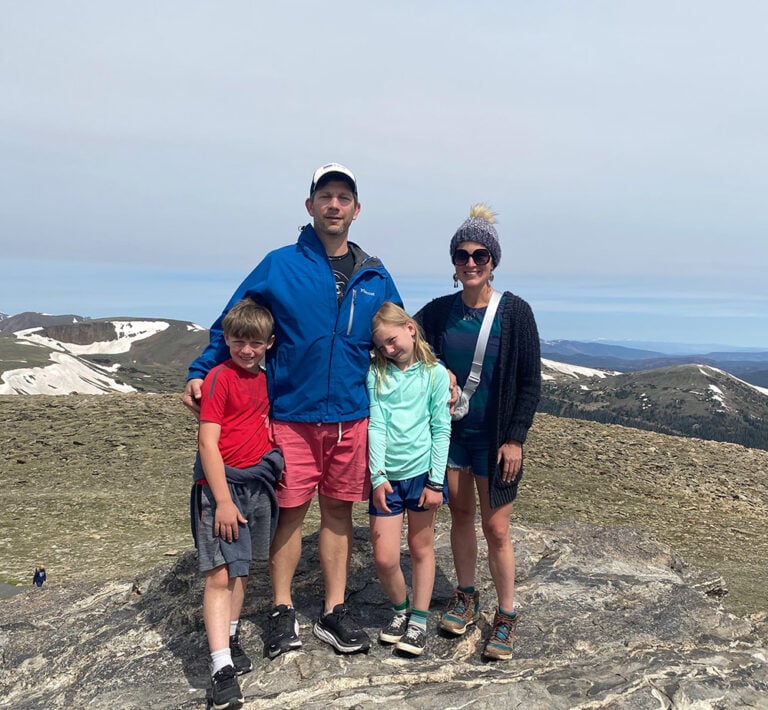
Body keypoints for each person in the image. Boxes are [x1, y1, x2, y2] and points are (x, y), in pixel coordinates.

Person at [184, 163, 401, 658]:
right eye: (325, 196)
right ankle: (281, 610)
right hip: (291, 416)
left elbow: (398, 333)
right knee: (290, 514)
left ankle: (333, 611)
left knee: (339, 515)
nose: (334, 205)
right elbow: (233, 323)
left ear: (356, 210)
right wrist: (201, 369)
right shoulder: (280, 264)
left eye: (343, 198)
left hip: (351, 416)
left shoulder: (375, 275)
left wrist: (434, 369)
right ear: (310, 206)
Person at [415, 203, 541, 661]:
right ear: (453, 262)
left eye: (480, 255)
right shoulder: (436, 313)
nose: (470, 262)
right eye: (462, 254)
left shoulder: (516, 312)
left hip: (494, 439)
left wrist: (515, 438)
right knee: (462, 514)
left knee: (497, 527)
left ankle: (506, 614)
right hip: (451, 436)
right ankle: (466, 594)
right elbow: (402, 344)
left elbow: (530, 382)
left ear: (493, 261)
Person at [190, 298, 284, 710]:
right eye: (239, 341)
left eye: (256, 343)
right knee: (220, 573)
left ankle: (228, 637)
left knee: (242, 567)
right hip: (222, 487)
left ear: (269, 343)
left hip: (257, 484)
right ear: (226, 339)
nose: (247, 350)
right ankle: (220, 670)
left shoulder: (267, 379)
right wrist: (224, 501)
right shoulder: (218, 379)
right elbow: (207, 441)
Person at [367, 303, 451, 657]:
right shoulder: (378, 374)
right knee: (385, 557)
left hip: (421, 477)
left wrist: (435, 482)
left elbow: (440, 427)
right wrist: (376, 476)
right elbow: (377, 423)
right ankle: (400, 610)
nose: (389, 349)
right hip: (386, 478)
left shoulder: (434, 374)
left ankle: (418, 621)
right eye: (381, 345)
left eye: (392, 340)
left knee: (420, 549)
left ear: (410, 329)